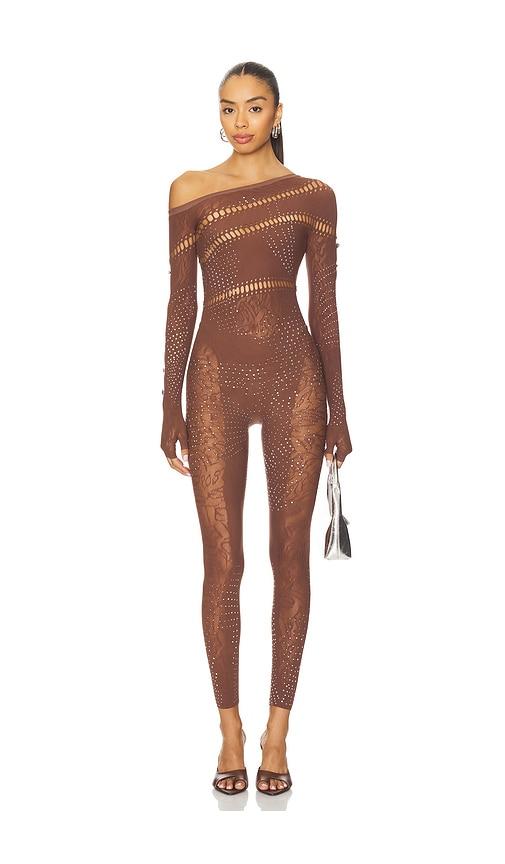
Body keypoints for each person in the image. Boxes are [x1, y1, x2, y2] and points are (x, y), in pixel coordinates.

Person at [160, 61, 352, 796]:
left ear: (278, 112)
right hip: (212, 383)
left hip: (295, 382)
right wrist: (168, 402)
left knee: (289, 558)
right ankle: (228, 727)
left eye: (254, 106)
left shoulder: (314, 195)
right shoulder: (188, 190)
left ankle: (277, 729)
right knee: (223, 562)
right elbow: (181, 303)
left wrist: (340, 409)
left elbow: (325, 306)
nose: (240, 121)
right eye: (227, 108)